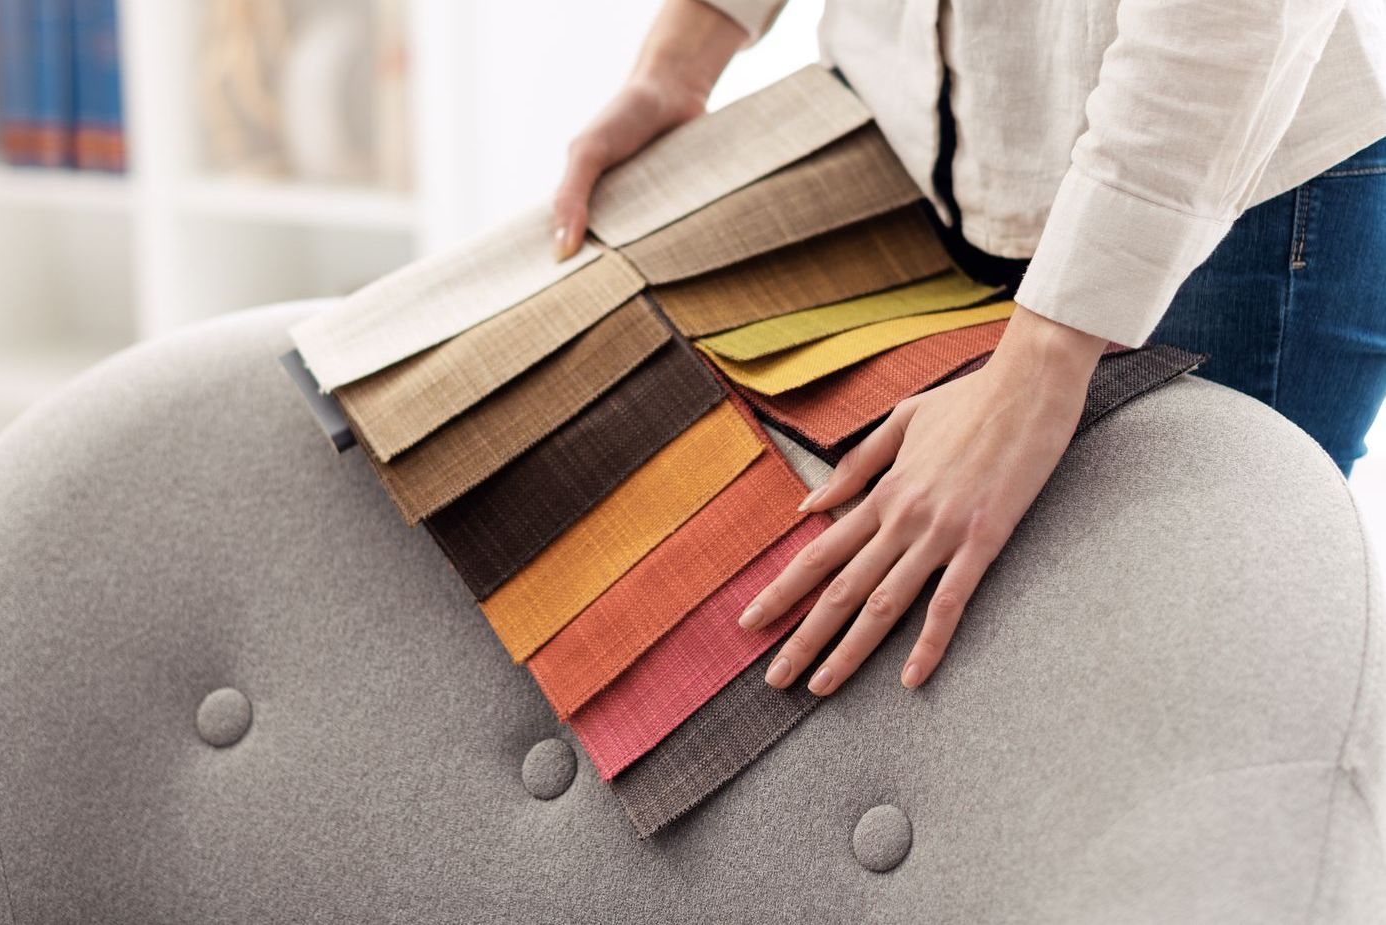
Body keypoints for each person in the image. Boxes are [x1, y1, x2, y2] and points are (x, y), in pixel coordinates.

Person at [553, 0, 1386, 698]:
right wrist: (682, 56)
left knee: (1176, 686)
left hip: (1223, 174)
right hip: (901, 128)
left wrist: (1039, 365)